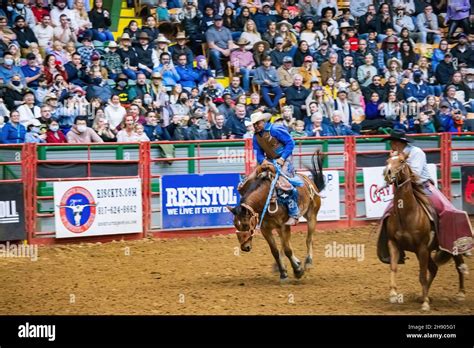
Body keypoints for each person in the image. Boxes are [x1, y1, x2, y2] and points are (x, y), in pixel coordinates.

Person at [380, 129, 473, 257]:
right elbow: (390, 173)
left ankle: (459, 241)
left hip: (423, 186)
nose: (390, 145)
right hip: (404, 189)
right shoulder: (395, 155)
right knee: (387, 214)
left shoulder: (416, 152)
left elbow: (416, 174)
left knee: (446, 209)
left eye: (391, 142)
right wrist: (386, 182)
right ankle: (391, 248)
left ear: (397, 143)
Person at [248, 111, 300, 225]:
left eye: (257, 123)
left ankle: (294, 212)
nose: (256, 126)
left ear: (263, 121)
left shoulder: (275, 129)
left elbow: (290, 143)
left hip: (285, 159)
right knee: (254, 179)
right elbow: (258, 153)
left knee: (284, 183)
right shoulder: (256, 137)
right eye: (254, 124)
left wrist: (282, 158)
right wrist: (263, 161)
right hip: (270, 160)